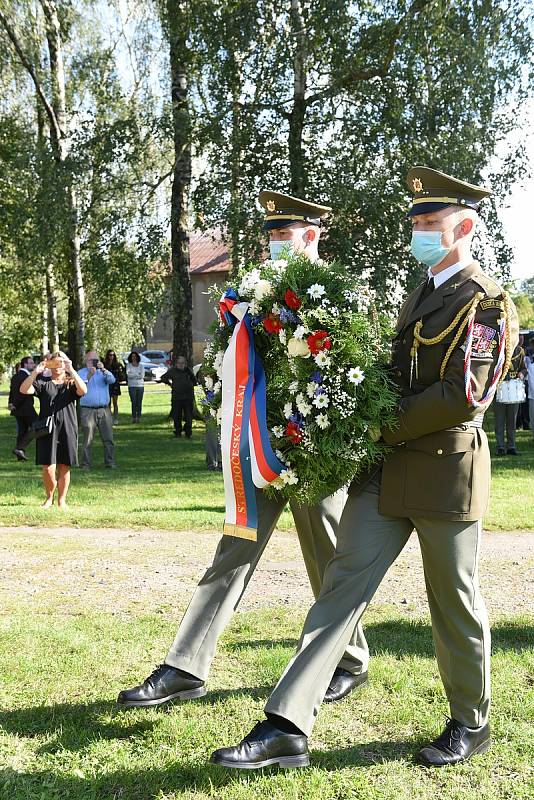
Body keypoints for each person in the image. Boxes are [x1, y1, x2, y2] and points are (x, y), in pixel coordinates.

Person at [211, 167, 519, 770]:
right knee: (341, 585)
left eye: (430, 224)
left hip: (443, 474)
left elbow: (467, 395)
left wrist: (380, 422)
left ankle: (469, 720)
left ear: (466, 226)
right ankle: (286, 723)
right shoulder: (423, 291)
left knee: (453, 598)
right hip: (385, 473)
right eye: (417, 223)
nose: (419, 233)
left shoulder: (486, 302)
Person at [117, 191, 369, 712]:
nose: (277, 243)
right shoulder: (252, 293)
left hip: (314, 449)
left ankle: (347, 659)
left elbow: (351, 373)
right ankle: (185, 665)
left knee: (328, 555)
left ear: (312, 235)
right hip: (257, 447)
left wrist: (317, 432)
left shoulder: (334, 294)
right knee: (232, 549)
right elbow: (231, 363)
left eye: (286, 234)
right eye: (272, 235)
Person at [19, 351, 87, 508]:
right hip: (47, 429)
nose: (58, 367)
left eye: (61, 363)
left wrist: (72, 371)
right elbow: (23, 390)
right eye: (55, 363)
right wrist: (35, 372)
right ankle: (49, 497)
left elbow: (83, 391)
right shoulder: (43, 383)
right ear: (49, 364)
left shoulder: (70, 383)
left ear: (65, 364)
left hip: (67, 427)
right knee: (48, 466)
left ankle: (62, 500)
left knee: (64, 465)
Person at [78, 350, 116, 469]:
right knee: (87, 439)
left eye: (95, 360)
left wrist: (104, 370)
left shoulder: (103, 373)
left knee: (108, 438)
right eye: (90, 360)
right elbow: (80, 386)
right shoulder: (81, 372)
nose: (93, 363)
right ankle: (85, 464)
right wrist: (90, 374)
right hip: (88, 410)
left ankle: (110, 462)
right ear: (86, 361)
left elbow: (112, 380)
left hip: (104, 410)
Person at [493, 340, 525, 455]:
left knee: (512, 420)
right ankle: (500, 447)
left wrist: (522, 373)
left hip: (513, 389)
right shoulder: (498, 350)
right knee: (499, 420)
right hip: (500, 388)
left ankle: (511, 446)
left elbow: (523, 368)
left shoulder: (519, 351)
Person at [160, 355, 197, 438]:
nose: (181, 365)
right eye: (179, 363)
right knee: (177, 416)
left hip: (188, 397)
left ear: (185, 364)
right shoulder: (172, 371)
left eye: (183, 363)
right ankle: (178, 432)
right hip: (177, 397)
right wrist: (170, 384)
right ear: (176, 364)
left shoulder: (188, 371)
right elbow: (163, 378)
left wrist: (190, 384)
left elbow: (195, 381)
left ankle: (188, 432)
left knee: (188, 416)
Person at [9, 355, 37, 461]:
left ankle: (19, 453)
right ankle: (20, 448)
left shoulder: (16, 376)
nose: (33, 365)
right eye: (31, 363)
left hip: (17, 409)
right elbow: (22, 393)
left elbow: (12, 392)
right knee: (38, 427)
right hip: (26, 408)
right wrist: (14, 404)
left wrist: (11, 403)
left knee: (22, 431)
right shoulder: (26, 377)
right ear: (25, 364)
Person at [104, 350, 123, 424]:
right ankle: (108, 418)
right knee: (108, 403)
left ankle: (115, 418)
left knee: (115, 402)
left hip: (115, 385)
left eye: (113, 355)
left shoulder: (117, 364)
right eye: (110, 355)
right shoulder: (105, 365)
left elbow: (121, 375)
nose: (111, 356)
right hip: (107, 385)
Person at [125, 351, 145, 423]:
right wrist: (137, 374)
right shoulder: (128, 365)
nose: (134, 357)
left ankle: (138, 417)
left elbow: (142, 376)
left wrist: (133, 374)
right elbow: (128, 375)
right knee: (133, 402)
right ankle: (134, 417)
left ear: (137, 357)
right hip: (131, 386)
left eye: (135, 356)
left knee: (139, 402)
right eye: (132, 356)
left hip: (140, 386)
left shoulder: (141, 366)